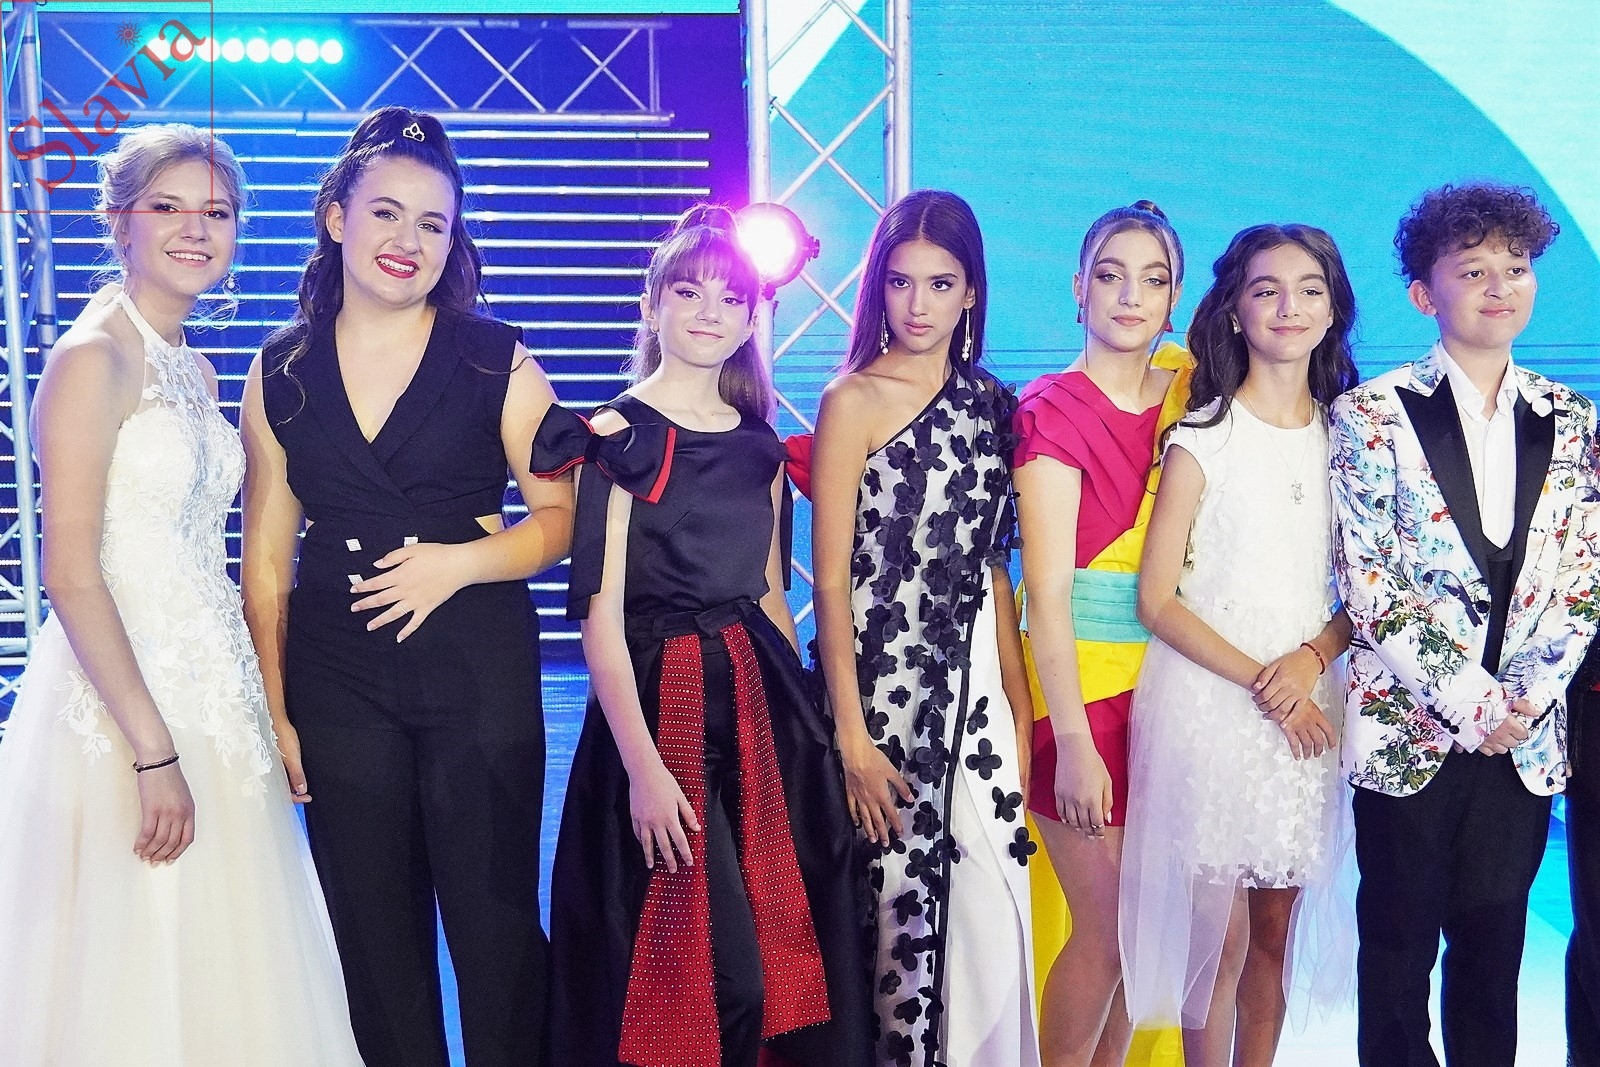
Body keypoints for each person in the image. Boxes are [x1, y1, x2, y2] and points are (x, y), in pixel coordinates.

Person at [0, 124, 362, 1065]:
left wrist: (260, 709)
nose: (196, 229)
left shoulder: (194, 367)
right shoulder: (93, 358)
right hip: (125, 710)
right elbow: (70, 571)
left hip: (216, 701)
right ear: (117, 220)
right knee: (136, 957)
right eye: (168, 207)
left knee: (229, 966)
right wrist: (152, 749)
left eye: (218, 212)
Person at [240, 107, 571, 1067]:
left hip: (478, 670)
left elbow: (560, 521)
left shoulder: (495, 356)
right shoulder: (280, 370)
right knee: (371, 939)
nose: (408, 241)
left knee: (495, 926)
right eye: (386, 213)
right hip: (336, 677)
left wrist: (457, 562)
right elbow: (266, 561)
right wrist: (275, 708)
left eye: (432, 223)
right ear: (336, 217)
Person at [538, 205, 869, 1067]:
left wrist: (813, 730)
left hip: (758, 712)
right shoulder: (616, 437)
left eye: (731, 297)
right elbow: (599, 616)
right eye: (689, 292)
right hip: (659, 714)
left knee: (787, 955)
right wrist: (644, 769)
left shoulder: (760, 447)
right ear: (652, 304)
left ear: (754, 317)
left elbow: (771, 594)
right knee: (720, 976)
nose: (710, 311)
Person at [1330, 182, 1600, 1067]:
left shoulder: (1574, 419)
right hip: (1411, 727)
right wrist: (1473, 702)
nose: (1499, 287)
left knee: (1493, 956)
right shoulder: (1369, 413)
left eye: (1515, 268)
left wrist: (1521, 701)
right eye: (1473, 269)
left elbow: (1583, 578)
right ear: (1424, 293)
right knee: (1397, 953)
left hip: (1522, 738)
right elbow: (1371, 581)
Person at [1120, 224, 1359, 1065]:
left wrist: (1312, 658)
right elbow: (1157, 599)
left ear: (1332, 309)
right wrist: (1268, 681)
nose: (1288, 307)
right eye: (1266, 289)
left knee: (1273, 937)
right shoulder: (1203, 437)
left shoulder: (1352, 439)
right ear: (1234, 310)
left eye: (1309, 289)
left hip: (1307, 706)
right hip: (1214, 701)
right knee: (1215, 944)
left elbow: (1370, 592)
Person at [810, 188, 1039, 1066]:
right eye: (900, 282)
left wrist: (1019, 709)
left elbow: (994, 571)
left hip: (978, 698)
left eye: (941, 284)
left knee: (992, 910)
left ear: (971, 291)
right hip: (881, 695)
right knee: (896, 924)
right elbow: (831, 582)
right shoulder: (852, 399)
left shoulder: (994, 405)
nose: (918, 304)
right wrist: (850, 735)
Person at [1012, 201, 1189, 1067]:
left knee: (1147, 931)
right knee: (1111, 923)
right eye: (1111, 275)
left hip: (1176, 686)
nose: (1130, 296)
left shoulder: (1192, 396)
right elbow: (1046, 594)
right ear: (1079, 286)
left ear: (1175, 297)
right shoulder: (1051, 408)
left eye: (1152, 279)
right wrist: (1075, 741)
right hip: (1077, 685)